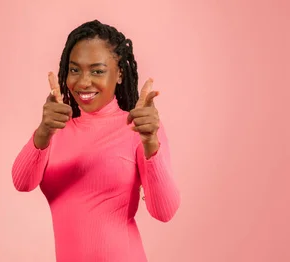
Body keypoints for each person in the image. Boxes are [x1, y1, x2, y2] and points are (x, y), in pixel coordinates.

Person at [11, 20, 181, 262]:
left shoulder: (137, 127)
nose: (83, 82)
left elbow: (164, 211)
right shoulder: (56, 127)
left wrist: (151, 143)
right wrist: (42, 131)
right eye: (75, 69)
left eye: (97, 71)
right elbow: (22, 182)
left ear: (120, 73)